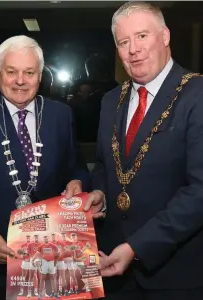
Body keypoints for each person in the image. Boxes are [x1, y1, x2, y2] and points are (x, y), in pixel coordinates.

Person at [0, 35, 90, 299]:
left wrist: (78, 183)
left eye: (29, 72)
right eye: (11, 72)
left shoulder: (61, 116)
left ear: (40, 75)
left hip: (53, 255)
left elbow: (77, 168)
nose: (20, 81)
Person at [85, 2, 203, 300]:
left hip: (175, 273)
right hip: (113, 268)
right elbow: (104, 165)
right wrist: (100, 194)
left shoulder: (197, 95)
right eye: (123, 42)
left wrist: (138, 246)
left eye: (141, 36)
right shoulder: (111, 100)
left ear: (164, 36)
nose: (133, 49)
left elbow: (199, 191)